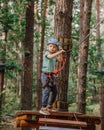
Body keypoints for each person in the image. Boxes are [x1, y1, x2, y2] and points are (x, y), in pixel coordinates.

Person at [39, 38, 65, 115]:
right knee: (47, 91)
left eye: (54, 47)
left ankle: (49, 107)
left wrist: (60, 52)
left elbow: (60, 60)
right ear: (47, 47)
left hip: (51, 76)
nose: (52, 48)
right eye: (50, 46)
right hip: (45, 76)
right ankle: (43, 108)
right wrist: (59, 51)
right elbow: (51, 57)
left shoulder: (54, 55)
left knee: (55, 91)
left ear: (56, 48)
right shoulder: (46, 53)